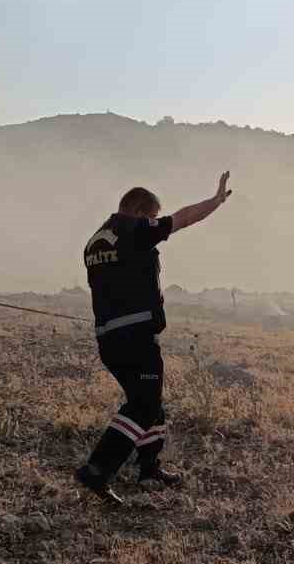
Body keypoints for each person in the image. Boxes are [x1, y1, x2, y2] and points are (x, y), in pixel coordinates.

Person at [75, 173, 233, 504]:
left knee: (150, 400)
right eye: (152, 216)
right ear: (138, 211)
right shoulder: (133, 230)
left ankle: (149, 468)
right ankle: (98, 469)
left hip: (110, 337)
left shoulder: (94, 241)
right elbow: (183, 219)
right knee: (144, 406)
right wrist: (215, 202)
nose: (154, 223)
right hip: (135, 335)